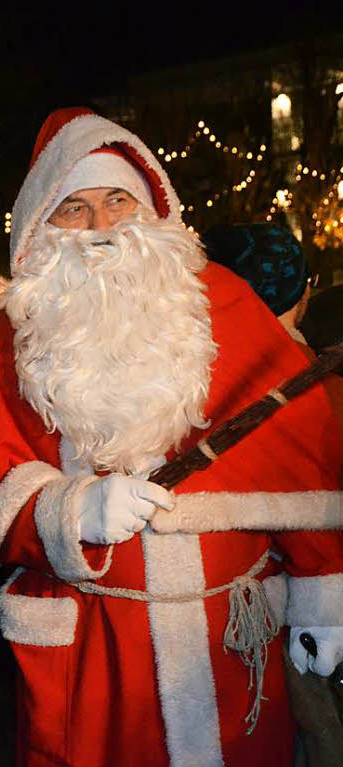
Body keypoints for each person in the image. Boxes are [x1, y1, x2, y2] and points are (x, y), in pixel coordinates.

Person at [0, 107, 343, 767]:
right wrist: (73, 509)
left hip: (232, 641)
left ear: (154, 208)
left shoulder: (222, 299)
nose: (103, 225)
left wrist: (322, 588)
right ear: (38, 228)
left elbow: (297, 451)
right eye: (73, 209)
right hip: (96, 654)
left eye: (119, 200)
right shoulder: (3, 337)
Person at [205, 223, 343, 765]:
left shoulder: (198, 390)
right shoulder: (319, 384)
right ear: (304, 292)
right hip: (301, 617)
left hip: (238, 617)